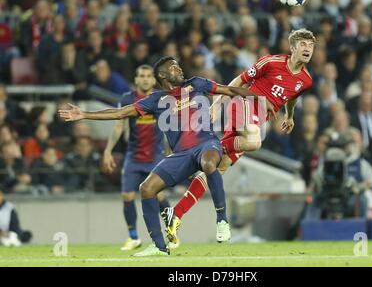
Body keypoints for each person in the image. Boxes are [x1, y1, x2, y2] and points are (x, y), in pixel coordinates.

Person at [58, 56, 274, 256]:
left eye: (179, 65)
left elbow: (230, 90)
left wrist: (263, 100)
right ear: (162, 75)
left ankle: (222, 221)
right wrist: (85, 114)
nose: (179, 68)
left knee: (210, 163)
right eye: (173, 67)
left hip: (207, 144)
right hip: (181, 154)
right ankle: (159, 247)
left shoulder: (196, 83)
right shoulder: (156, 99)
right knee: (146, 188)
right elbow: (121, 113)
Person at [164, 28, 315, 248]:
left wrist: (289, 115)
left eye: (311, 46)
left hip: (255, 122)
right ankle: (209, 148)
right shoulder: (271, 62)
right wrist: (217, 103)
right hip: (242, 105)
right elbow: (239, 80)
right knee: (255, 142)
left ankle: (176, 214)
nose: (307, 49)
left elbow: (293, 96)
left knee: (216, 169)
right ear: (292, 48)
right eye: (303, 44)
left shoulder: (306, 80)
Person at [102, 65, 170, 251]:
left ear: (154, 80)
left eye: (149, 76)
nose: (146, 79)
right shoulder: (127, 99)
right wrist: (108, 151)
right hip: (133, 155)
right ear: (136, 79)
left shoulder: (162, 98)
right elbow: (118, 126)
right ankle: (133, 237)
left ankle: (171, 231)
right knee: (127, 195)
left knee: (160, 195)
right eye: (142, 76)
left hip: (156, 155)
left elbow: (171, 126)